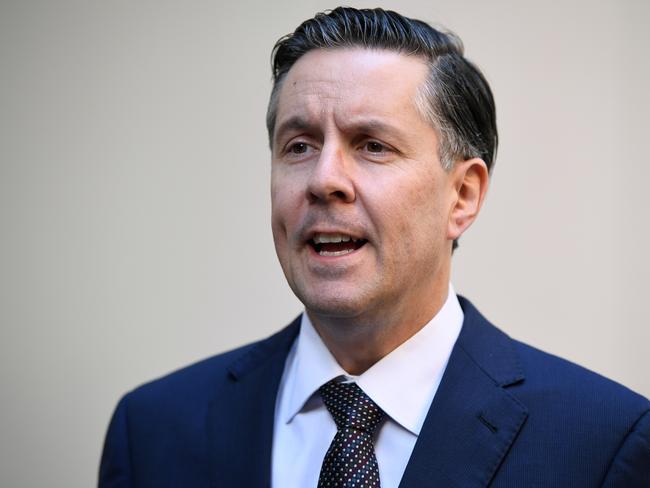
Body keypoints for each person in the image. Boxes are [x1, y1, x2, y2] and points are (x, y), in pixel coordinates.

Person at [99, 7, 650, 487]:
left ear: (462, 195)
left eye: (372, 146)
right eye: (299, 145)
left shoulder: (604, 444)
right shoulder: (153, 430)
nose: (323, 179)